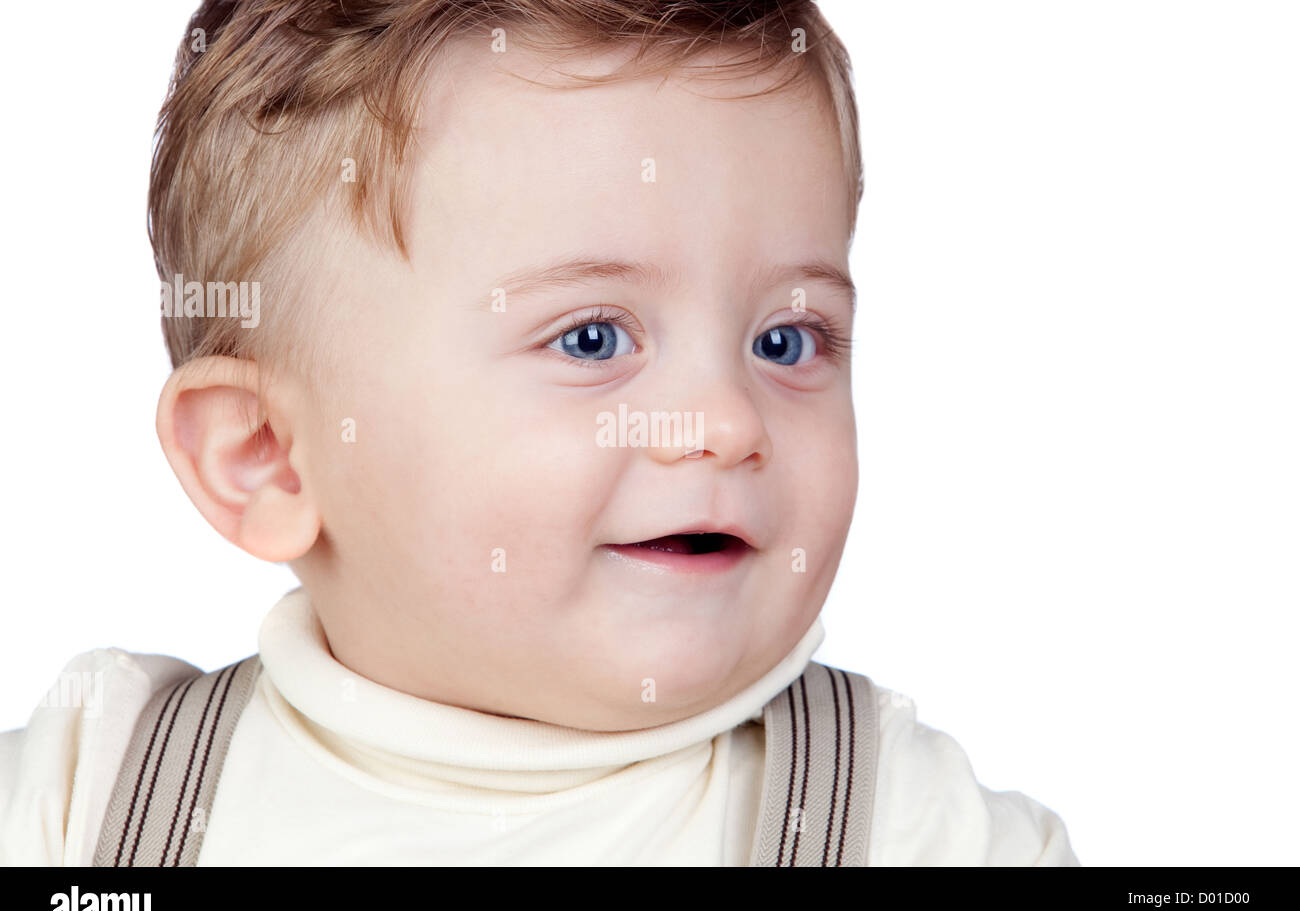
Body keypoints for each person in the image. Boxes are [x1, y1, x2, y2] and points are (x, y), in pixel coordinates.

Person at [0, 0, 1079, 866]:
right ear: (266, 456)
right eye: (594, 337)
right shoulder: (84, 802)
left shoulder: (915, 831)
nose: (723, 423)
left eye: (787, 340)